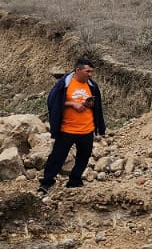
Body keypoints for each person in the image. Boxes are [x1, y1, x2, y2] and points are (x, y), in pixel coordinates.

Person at [40, 55, 106, 195]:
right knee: (57, 157)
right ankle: (47, 182)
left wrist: (90, 104)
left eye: (91, 72)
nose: (90, 74)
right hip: (67, 129)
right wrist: (72, 104)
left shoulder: (92, 86)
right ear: (78, 70)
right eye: (88, 71)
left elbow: (98, 106)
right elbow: (54, 102)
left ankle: (74, 181)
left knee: (84, 157)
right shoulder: (64, 84)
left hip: (87, 129)